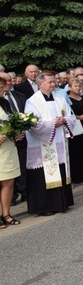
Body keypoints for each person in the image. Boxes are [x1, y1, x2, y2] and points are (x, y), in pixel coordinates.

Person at [24, 72, 76, 216]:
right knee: (43, 174)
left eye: (54, 82)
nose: (54, 84)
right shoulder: (32, 101)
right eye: (50, 82)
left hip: (59, 141)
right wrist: (54, 123)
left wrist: (64, 120)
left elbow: (71, 116)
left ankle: (62, 203)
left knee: (60, 170)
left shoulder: (60, 98)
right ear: (40, 84)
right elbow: (32, 124)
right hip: (43, 146)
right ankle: (46, 207)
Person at [1, 71, 28, 205]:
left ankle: (24, 192)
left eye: (10, 80)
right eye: (4, 81)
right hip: (3, 143)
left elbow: (23, 115)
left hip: (19, 138)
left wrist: (21, 130)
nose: (8, 83)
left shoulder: (18, 97)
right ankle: (10, 199)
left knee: (21, 167)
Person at [0, 78, 22, 228]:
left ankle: (5, 214)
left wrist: (16, 132)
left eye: (2, 87)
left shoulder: (5, 102)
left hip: (7, 147)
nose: (2, 90)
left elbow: (10, 122)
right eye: (0, 87)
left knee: (8, 181)